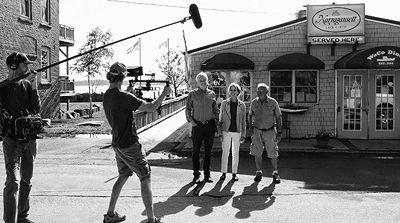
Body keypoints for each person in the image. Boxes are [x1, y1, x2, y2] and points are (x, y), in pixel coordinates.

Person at [102, 62, 170, 223]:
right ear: (122, 78)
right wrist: (164, 93)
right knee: (145, 177)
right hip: (130, 145)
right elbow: (152, 107)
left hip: (117, 143)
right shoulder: (124, 97)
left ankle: (110, 215)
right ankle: (151, 220)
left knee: (123, 175)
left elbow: (122, 104)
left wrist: (130, 95)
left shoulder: (107, 95)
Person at [1, 52, 40, 223]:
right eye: (25, 65)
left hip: (30, 140)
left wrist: (34, 86)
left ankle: (23, 216)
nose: (28, 68)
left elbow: (36, 109)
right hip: (12, 140)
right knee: (13, 182)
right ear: (14, 66)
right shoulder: (2, 88)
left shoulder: (27, 85)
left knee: (26, 180)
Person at [185, 72, 219, 183]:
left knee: (208, 151)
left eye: (204, 80)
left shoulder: (212, 93)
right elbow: (188, 109)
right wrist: (192, 122)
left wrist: (217, 121)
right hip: (197, 126)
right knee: (196, 151)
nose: (203, 82)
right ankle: (196, 174)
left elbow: (215, 109)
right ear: (197, 83)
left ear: (207, 81)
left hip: (209, 126)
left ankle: (207, 174)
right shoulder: (192, 94)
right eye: (200, 81)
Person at [248, 83, 282, 184]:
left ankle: (275, 173)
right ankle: (258, 172)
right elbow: (250, 115)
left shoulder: (273, 102)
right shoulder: (254, 103)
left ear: (267, 92)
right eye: (258, 91)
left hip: (270, 131)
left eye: (262, 91)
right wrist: (250, 127)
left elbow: (278, 117)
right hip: (257, 131)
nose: (259, 93)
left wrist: (279, 132)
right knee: (257, 152)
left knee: (273, 152)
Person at [218, 83, 246, 182]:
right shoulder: (224, 103)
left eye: (235, 90)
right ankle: (223, 173)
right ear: (229, 91)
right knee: (225, 152)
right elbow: (220, 118)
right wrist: (220, 133)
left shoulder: (242, 105)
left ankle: (234, 173)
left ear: (238, 92)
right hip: (226, 131)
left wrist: (243, 134)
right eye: (231, 90)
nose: (233, 92)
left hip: (237, 132)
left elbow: (243, 121)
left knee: (235, 153)